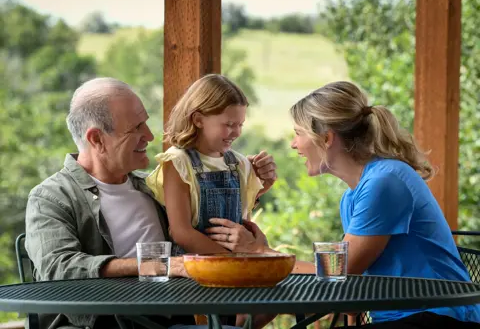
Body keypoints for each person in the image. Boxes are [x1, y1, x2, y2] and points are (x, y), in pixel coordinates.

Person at [208, 81, 480, 328]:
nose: (293, 144)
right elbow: (347, 292)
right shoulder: (352, 197)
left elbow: (337, 276)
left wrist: (261, 252)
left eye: (298, 133)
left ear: (326, 138)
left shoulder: (385, 182)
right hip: (403, 317)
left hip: (439, 317)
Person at [24, 77, 277, 329]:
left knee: (268, 304)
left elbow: (212, 221)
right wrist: (158, 266)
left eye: (145, 122)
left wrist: (255, 186)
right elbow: (59, 268)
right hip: (103, 324)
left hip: (174, 319)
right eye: (136, 128)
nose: (150, 135)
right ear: (97, 139)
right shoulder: (51, 198)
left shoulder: (152, 187)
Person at [146, 74, 277, 328]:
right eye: (229, 124)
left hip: (237, 271)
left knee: (272, 301)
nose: (236, 132)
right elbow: (181, 232)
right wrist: (232, 262)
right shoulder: (177, 162)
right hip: (196, 275)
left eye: (240, 124)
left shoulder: (237, 162)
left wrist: (263, 187)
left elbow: (243, 216)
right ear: (198, 119)